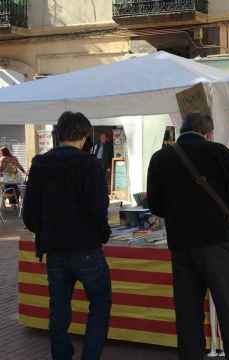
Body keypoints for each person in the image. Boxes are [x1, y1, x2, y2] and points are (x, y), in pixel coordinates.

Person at [146, 112, 229, 360]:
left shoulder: (161, 158)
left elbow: (155, 205)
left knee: (187, 314)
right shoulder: (220, 153)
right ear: (209, 132)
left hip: (181, 244)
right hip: (217, 241)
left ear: (181, 131)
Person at [23, 111, 112, 360]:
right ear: (85, 136)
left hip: (54, 250)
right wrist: (103, 234)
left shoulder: (39, 164)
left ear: (58, 134)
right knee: (100, 304)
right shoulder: (89, 164)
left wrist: (45, 232)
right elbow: (98, 208)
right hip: (87, 250)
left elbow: (29, 215)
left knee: (59, 310)